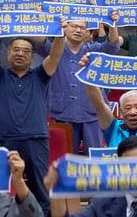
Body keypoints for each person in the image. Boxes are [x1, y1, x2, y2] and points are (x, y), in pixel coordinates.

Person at [0, 19, 65, 217]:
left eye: (26, 51)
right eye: (16, 50)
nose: (21, 54)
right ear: (7, 54)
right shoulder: (0, 76)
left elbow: (54, 56)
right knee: (1, 187)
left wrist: (60, 34)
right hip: (6, 139)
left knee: (39, 187)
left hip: (36, 138)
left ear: (32, 56)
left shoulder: (40, 76)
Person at [36, 19, 124, 153]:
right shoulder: (53, 49)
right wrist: (42, 19)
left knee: (95, 155)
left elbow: (112, 45)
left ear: (87, 32)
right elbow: (39, 41)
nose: (78, 30)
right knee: (64, 156)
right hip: (61, 112)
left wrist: (112, 22)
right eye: (74, 26)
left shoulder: (94, 50)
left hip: (92, 112)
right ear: (65, 27)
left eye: (82, 28)